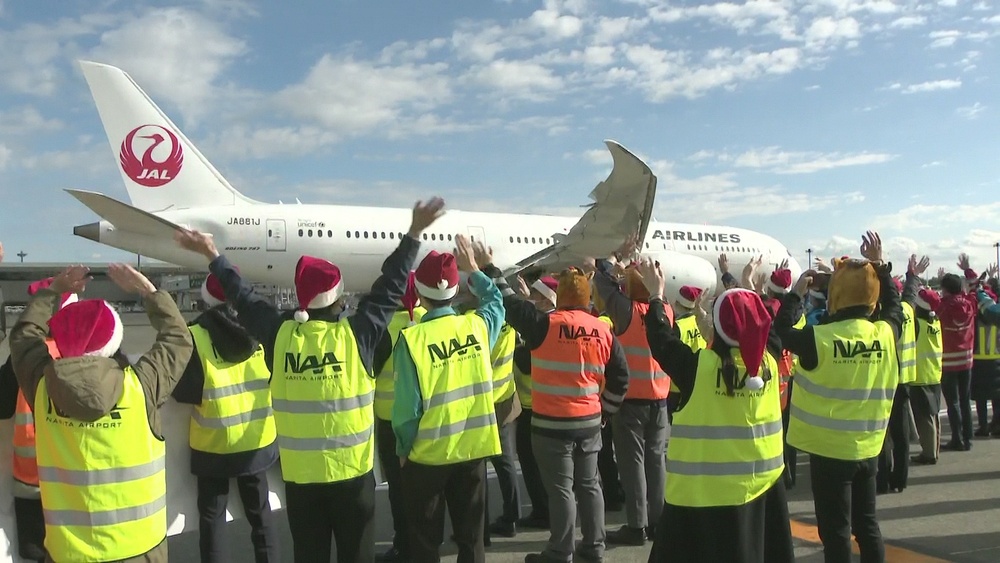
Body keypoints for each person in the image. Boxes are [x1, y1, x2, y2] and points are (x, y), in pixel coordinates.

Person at [177, 197, 444, 563]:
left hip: (302, 483)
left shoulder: (280, 335)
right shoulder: (358, 335)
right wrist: (414, 233)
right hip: (353, 479)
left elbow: (244, 297)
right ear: (339, 300)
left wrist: (213, 254)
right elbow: (391, 286)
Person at [9, 263, 194, 563]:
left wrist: (53, 291)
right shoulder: (140, 388)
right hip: (140, 550)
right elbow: (178, 338)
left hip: (69, 554)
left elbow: (23, 338)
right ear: (113, 342)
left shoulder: (43, 390)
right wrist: (148, 291)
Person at [639, 258, 794, 563]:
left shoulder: (700, 368)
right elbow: (767, 326)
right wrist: (749, 288)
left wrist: (656, 294)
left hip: (700, 500)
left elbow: (661, 338)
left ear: (718, 328)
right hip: (758, 492)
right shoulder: (770, 363)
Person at [487, 262, 630, 563]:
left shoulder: (544, 326)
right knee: (590, 486)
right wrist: (605, 412)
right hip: (589, 423)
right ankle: (594, 548)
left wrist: (490, 267)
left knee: (561, 489)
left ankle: (560, 551)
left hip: (551, 426)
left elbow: (510, 301)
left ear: (560, 295)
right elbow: (621, 377)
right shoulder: (602, 331)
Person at [775, 231, 902, 563]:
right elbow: (894, 306)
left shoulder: (819, 338)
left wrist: (796, 294)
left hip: (829, 451)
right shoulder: (885, 333)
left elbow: (779, 333)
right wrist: (879, 266)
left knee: (835, 532)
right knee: (868, 526)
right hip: (869, 445)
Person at [392, 236, 505, 563]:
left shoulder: (412, 340)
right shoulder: (478, 326)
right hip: (472, 451)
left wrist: (402, 448)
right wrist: (474, 269)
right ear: (456, 290)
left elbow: (406, 410)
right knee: (471, 541)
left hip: (426, 457)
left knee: (425, 543)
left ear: (420, 294)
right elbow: (495, 300)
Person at [170, 272, 280, 562]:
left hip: (213, 443)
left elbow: (183, 392)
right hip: (256, 441)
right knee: (261, 518)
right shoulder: (263, 331)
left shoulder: (194, 336)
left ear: (205, 300)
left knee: (212, 520)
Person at [591, 258, 672, 546]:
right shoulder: (665, 311)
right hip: (659, 400)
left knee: (632, 465)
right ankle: (659, 523)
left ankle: (637, 526)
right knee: (656, 463)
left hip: (631, 402)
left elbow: (602, 285)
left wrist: (610, 264)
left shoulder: (627, 311)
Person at [0, 278, 77, 562]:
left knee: (35, 551)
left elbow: (3, 406)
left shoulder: (20, 360)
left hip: (30, 475)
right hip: (74, 475)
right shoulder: (84, 356)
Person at [374, 273, 426, 563]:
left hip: (391, 423)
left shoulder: (383, 328)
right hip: (427, 419)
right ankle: (426, 543)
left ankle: (405, 546)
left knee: (399, 490)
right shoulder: (429, 321)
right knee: (426, 488)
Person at [509, 275, 558, 530]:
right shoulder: (550, 319)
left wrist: (517, 346)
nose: (533, 300)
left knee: (532, 463)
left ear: (548, 299)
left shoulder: (542, 324)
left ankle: (543, 512)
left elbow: (526, 364)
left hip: (533, 406)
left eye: (537, 296)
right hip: (542, 404)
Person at [937, 263, 977, 452]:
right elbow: (976, 287)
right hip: (967, 360)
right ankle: (968, 437)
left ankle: (957, 438)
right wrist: (967, 270)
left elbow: (925, 298)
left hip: (948, 361)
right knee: (965, 400)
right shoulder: (969, 304)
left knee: (952, 402)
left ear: (945, 289)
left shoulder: (943, 307)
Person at [909, 287, 943, 465]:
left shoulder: (917, 324)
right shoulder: (934, 321)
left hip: (920, 375)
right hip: (934, 373)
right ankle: (932, 450)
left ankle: (929, 453)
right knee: (932, 415)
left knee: (924, 418)